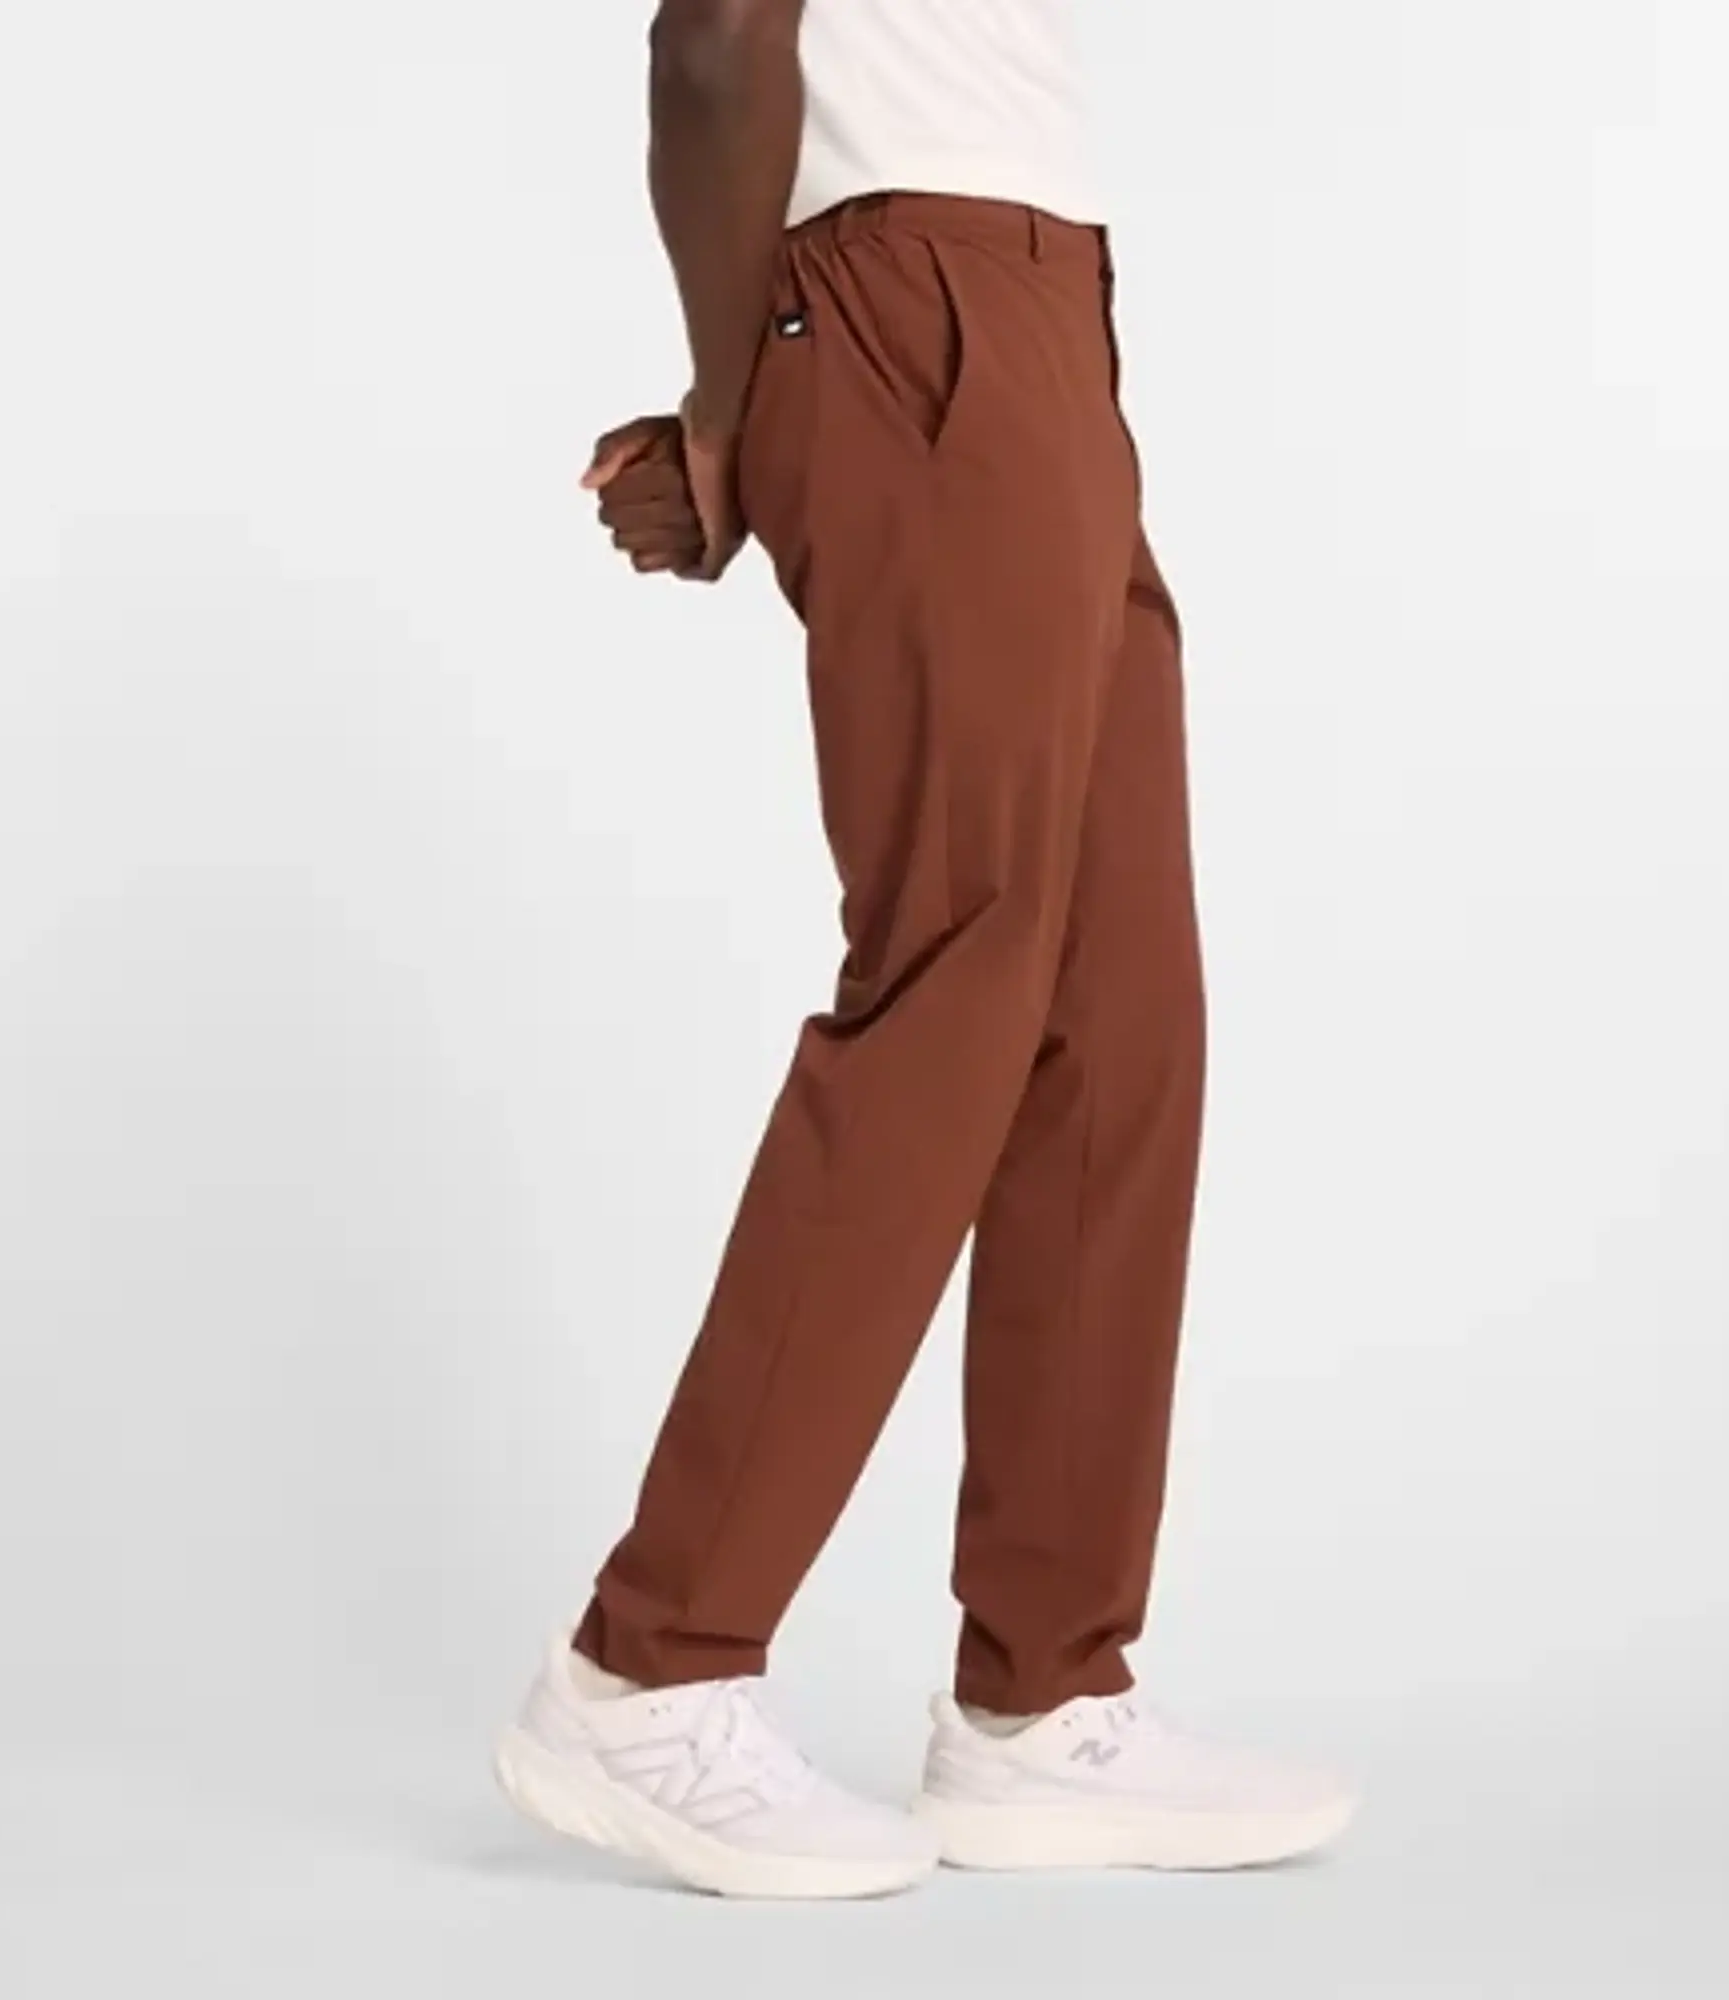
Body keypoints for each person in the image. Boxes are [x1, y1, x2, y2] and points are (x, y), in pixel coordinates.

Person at [496, 0, 1356, 1898]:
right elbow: (716, 40)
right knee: (955, 985)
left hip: (1040, 313)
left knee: (1118, 1015)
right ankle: (652, 1665)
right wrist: (735, 405)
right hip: (920, 298)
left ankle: (1041, 1702)